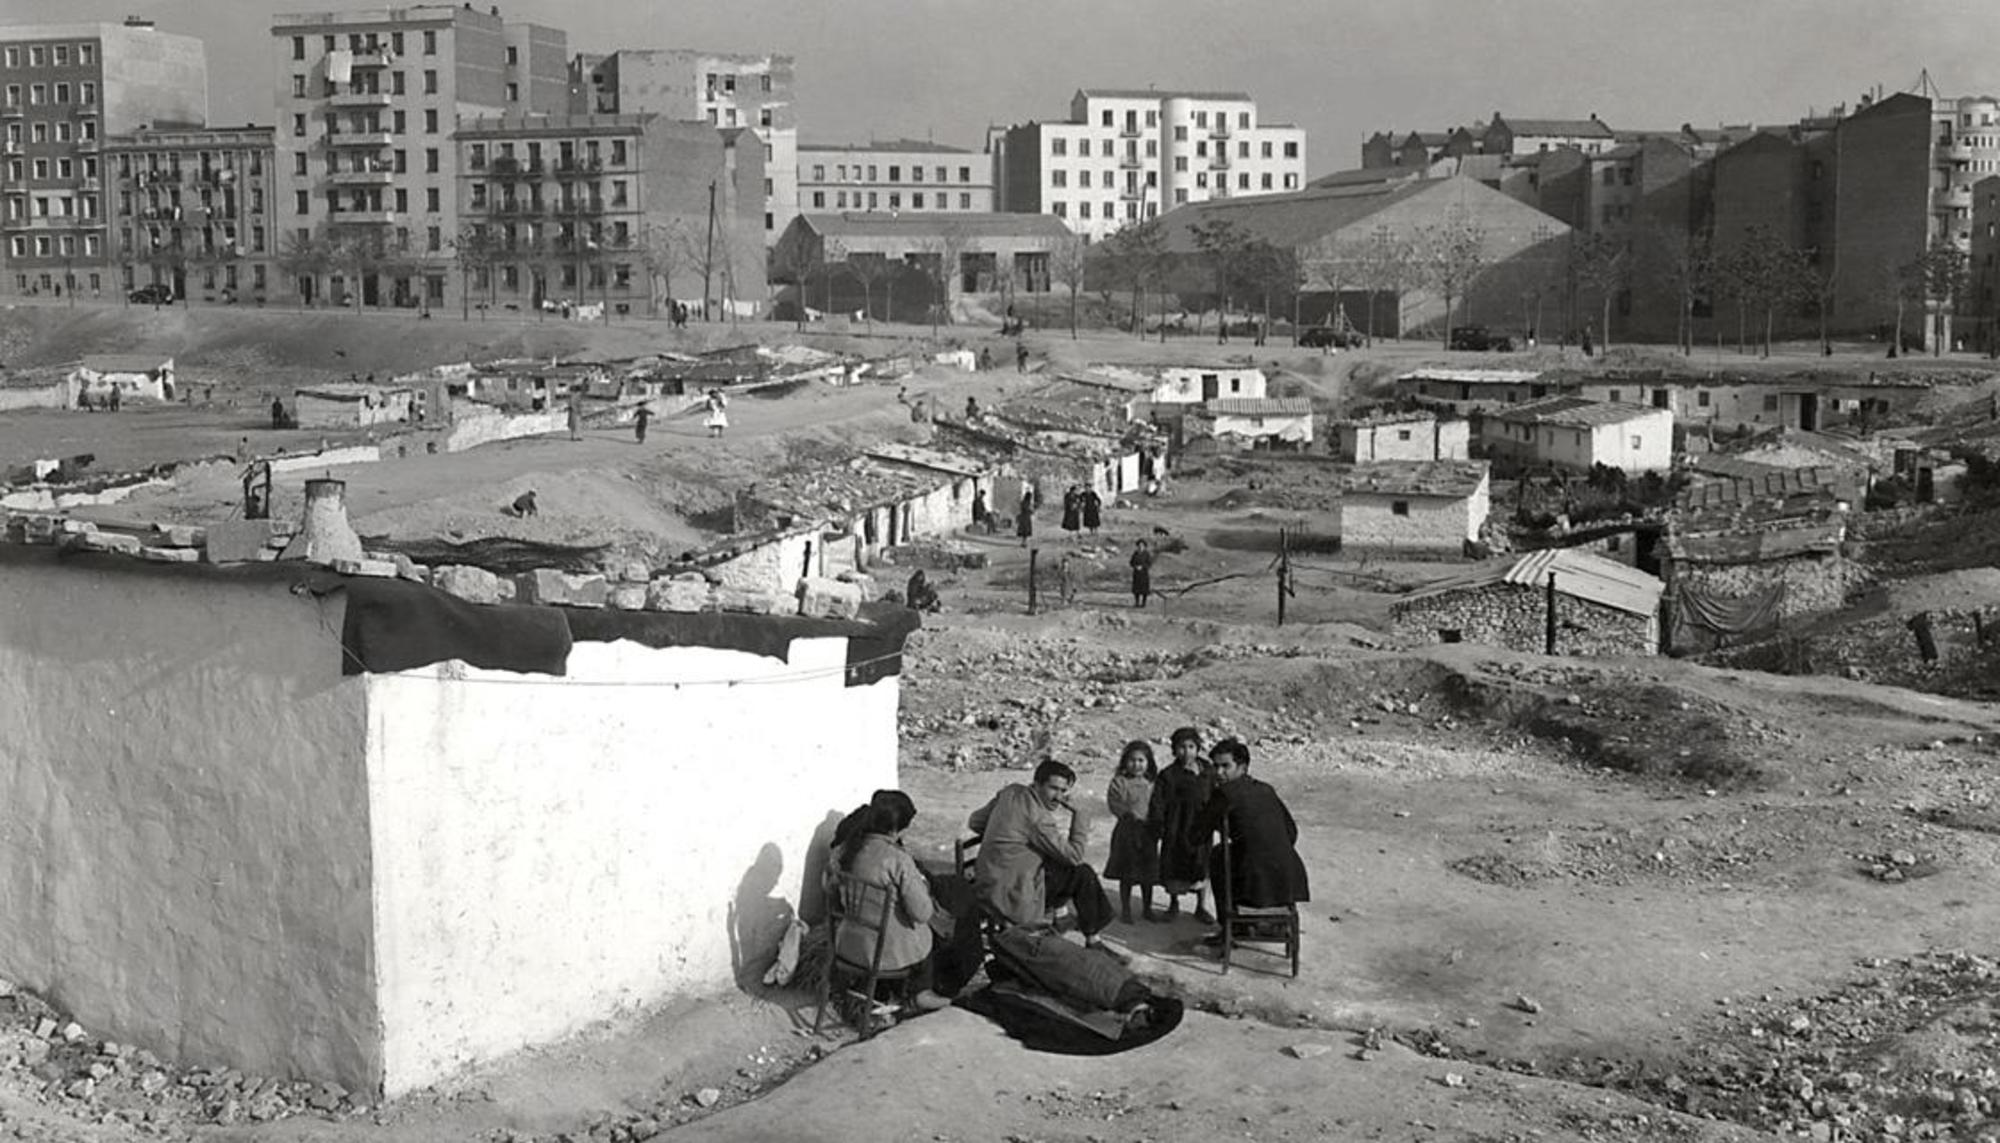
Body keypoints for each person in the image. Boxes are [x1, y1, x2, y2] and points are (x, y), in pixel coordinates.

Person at [966, 759, 1114, 947]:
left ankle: (1061, 916)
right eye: (1053, 788)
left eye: (1063, 791)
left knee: (1055, 863)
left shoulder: (1011, 792)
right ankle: (1093, 939)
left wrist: (1010, 835)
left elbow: (975, 822)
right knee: (1082, 873)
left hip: (989, 880)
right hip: (1013, 894)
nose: (1058, 797)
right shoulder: (1038, 818)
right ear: (1036, 784)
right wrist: (1081, 816)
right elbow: (1074, 856)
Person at [830, 790, 953, 1013]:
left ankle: (874, 989)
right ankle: (920, 993)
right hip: (884, 953)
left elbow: (831, 893)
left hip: (847, 944)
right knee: (930, 929)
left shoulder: (842, 851)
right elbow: (921, 913)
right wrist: (922, 886)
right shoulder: (897, 860)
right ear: (896, 829)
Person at [1193, 738, 1310, 945]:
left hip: (1255, 878)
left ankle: (1228, 929)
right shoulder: (1265, 789)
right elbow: (1291, 832)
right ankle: (1256, 923)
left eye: (1225, 766)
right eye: (1216, 767)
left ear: (1243, 767)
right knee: (1235, 855)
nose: (1219, 773)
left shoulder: (1225, 793)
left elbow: (1198, 832)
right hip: (1290, 875)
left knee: (1219, 857)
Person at [1148, 727, 1214, 925]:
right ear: (1174, 750)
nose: (1187, 752)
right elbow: (1158, 802)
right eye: (1182, 747)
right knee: (1174, 865)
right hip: (1176, 827)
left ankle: (1201, 907)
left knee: (1203, 864)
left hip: (1201, 827)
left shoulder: (1208, 771)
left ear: (1198, 748)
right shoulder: (1168, 775)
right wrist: (1158, 825)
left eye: (1191, 747)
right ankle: (1173, 903)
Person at [1104, 741, 1160, 924]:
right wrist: (1129, 816)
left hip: (1147, 833)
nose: (1136, 764)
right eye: (1132, 760)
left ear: (1148, 762)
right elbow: (1115, 803)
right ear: (1125, 762)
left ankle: (1147, 908)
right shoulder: (1119, 783)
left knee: (1148, 873)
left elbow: (1158, 805)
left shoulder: (1152, 784)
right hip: (1126, 833)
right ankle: (1126, 909)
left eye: (1141, 760)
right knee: (1126, 873)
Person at [1129, 539, 1153, 608]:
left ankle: (1143, 603)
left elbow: (1149, 563)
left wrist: (1142, 567)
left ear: (1144, 546)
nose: (1140, 547)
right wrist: (1135, 566)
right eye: (1139, 545)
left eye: (1142, 545)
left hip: (1144, 574)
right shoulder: (1135, 553)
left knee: (1144, 590)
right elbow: (1131, 562)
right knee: (1136, 589)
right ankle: (1137, 602)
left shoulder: (1146, 554)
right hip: (1136, 574)